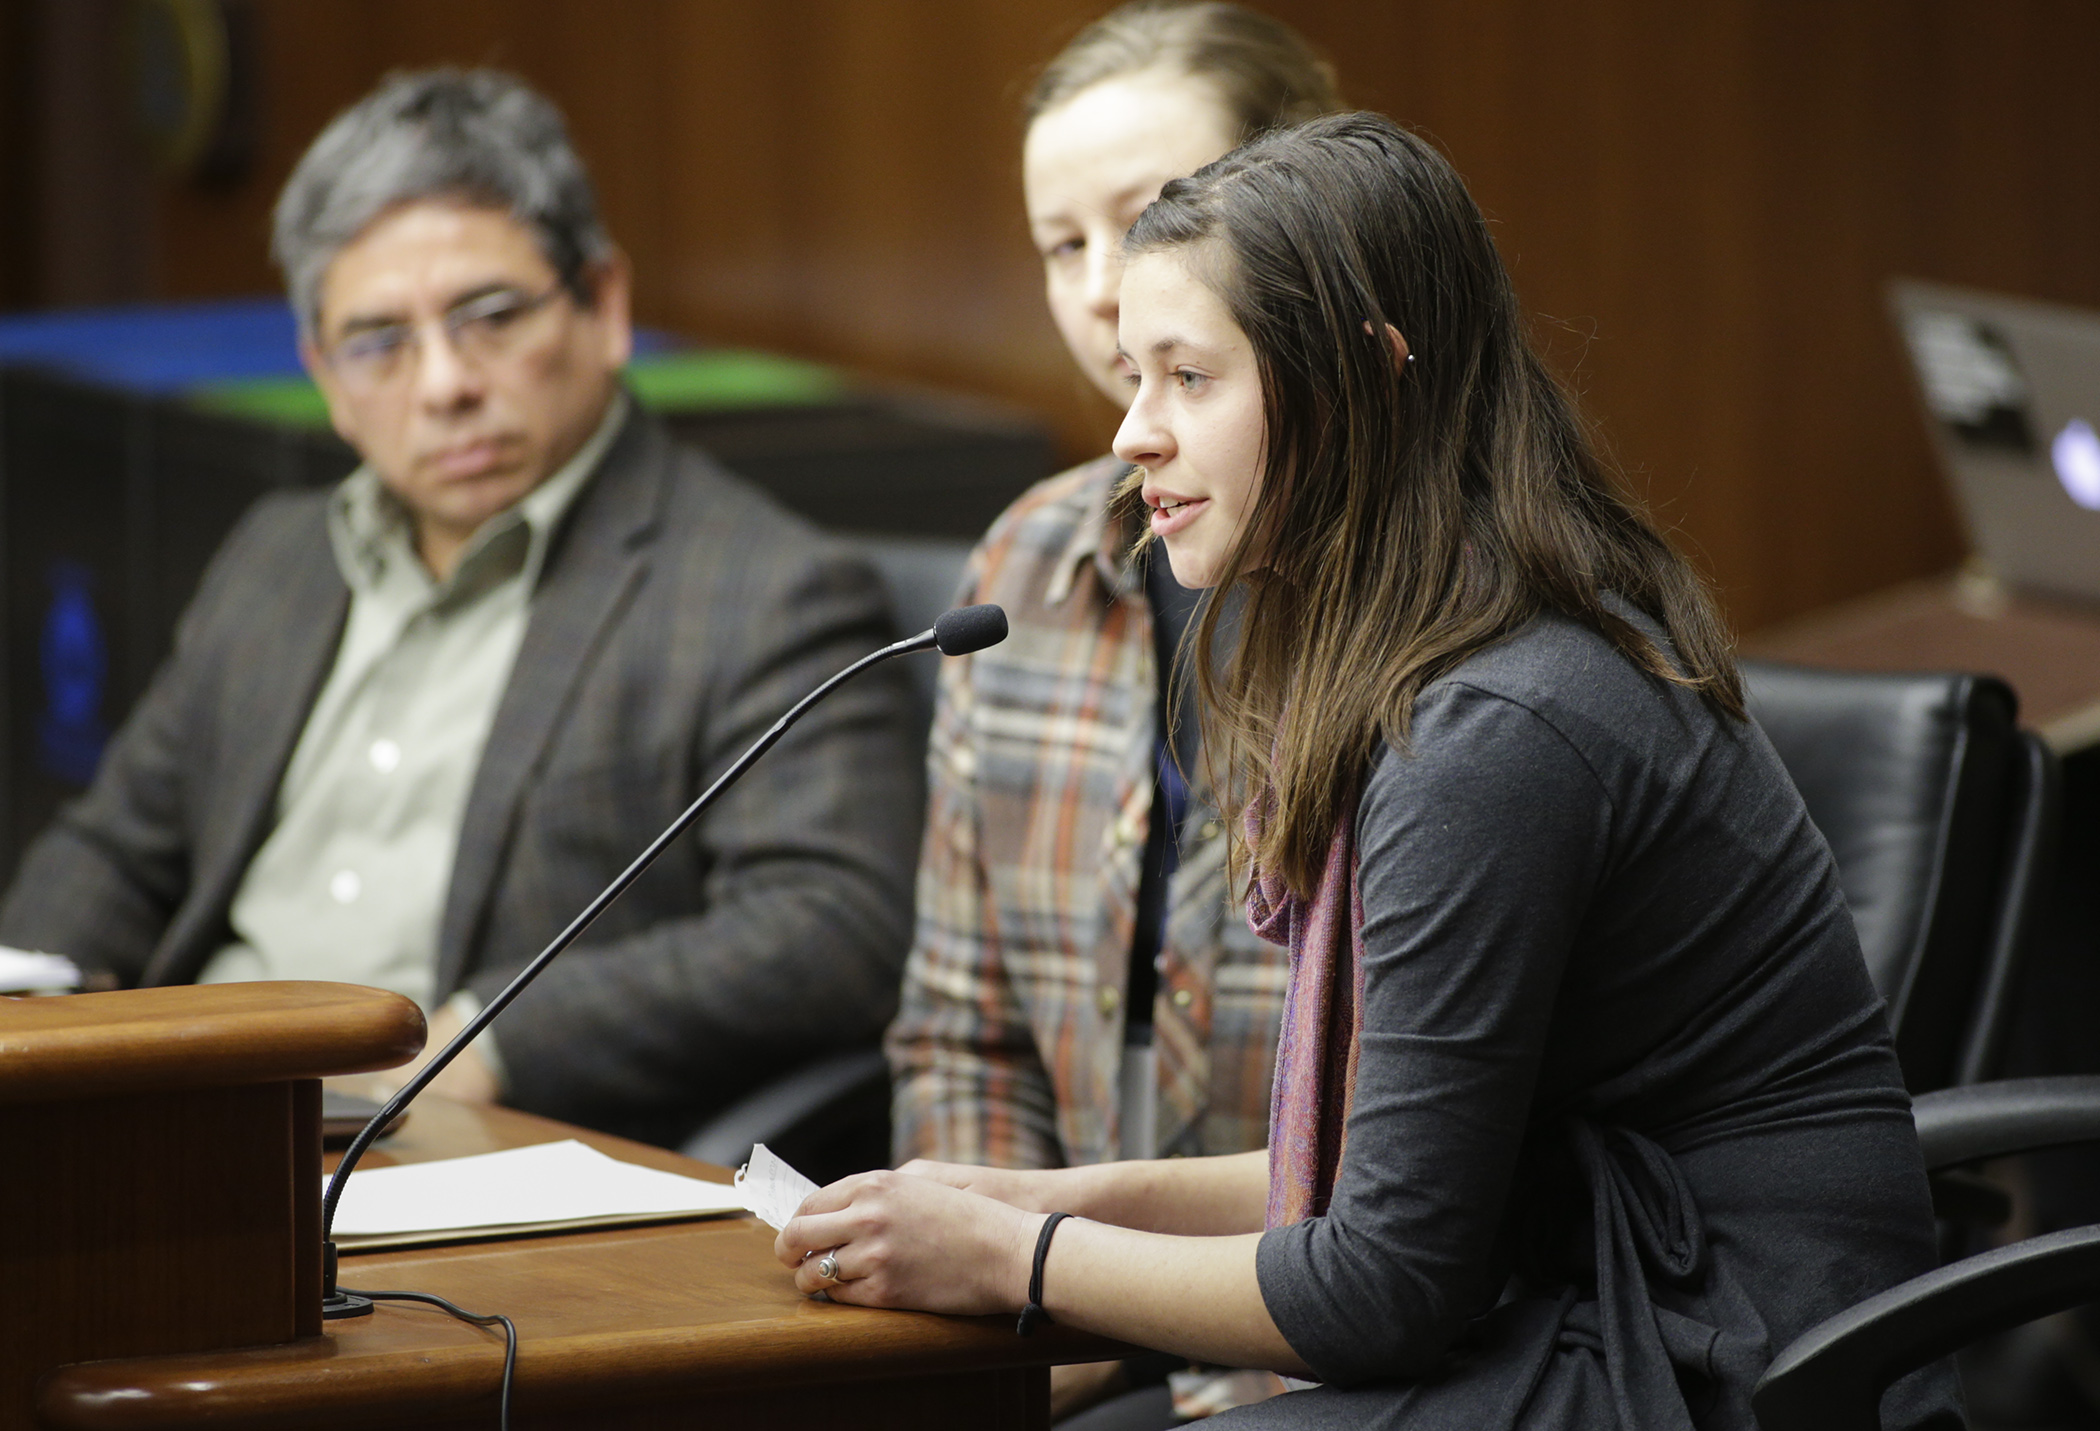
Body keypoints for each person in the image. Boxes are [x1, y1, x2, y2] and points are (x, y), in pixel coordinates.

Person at [789, 112, 1963, 1429]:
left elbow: (1381, 1284)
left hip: (1729, 1354)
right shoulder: (1428, 651)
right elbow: (1362, 1181)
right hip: (1582, 1284)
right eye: (1134, 376)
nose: (1133, 433)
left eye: (1188, 377)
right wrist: (1039, 1198)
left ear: (1360, 381)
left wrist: (1014, 1256)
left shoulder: (1491, 728)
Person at [0, 70, 922, 1148]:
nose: (443, 384)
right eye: (380, 342)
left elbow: (832, 929)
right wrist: (31, 1012)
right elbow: (119, 847)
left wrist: (481, 1043)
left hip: (449, 1152)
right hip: (185, 1116)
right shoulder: (280, 554)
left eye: (488, 317)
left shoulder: (763, 588)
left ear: (603, 306)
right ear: (327, 379)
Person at [882, 4, 1341, 1420]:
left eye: (1146, 219)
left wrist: (1054, 1273)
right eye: (1058, 245)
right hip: (1061, 1318)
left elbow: (1417, 1187)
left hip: (1331, 1345)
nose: (1099, 289)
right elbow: (963, 1030)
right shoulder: (1024, 565)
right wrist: (1002, 1325)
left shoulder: (1420, 612)